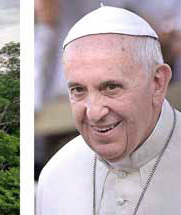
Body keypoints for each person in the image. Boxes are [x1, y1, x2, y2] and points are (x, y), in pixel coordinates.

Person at [36, 5, 181, 215]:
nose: (94, 113)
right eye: (78, 90)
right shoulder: (55, 174)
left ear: (157, 83)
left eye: (111, 87)